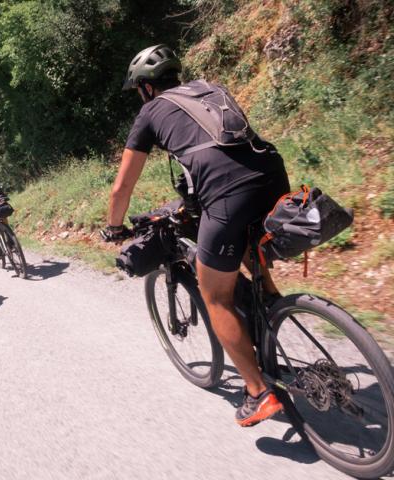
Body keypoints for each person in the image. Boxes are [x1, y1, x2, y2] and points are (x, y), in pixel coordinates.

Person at [104, 44, 290, 427]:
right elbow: (226, 149)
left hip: (226, 191)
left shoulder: (151, 111)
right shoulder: (211, 88)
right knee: (246, 242)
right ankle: (272, 305)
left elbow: (122, 186)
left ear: (145, 87)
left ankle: (258, 393)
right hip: (271, 173)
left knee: (215, 296)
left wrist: (113, 227)